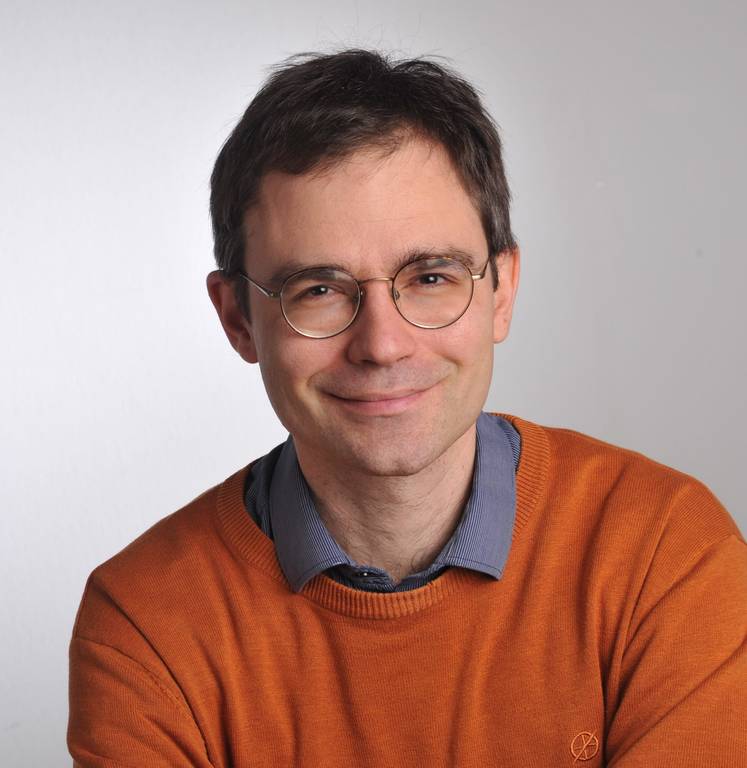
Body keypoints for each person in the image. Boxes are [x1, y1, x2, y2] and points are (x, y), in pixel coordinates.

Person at [68, 50, 747, 767]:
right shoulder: (144, 624)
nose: (382, 345)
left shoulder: (665, 554)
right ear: (238, 317)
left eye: (430, 277)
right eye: (318, 290)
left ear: (501, 292)